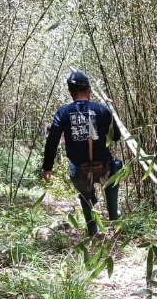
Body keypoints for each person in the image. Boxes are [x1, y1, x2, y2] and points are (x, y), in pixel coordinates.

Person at [42, 70, 123, 236]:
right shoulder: (102, 110)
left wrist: (47, 167)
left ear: (71, 93)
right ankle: (113, 213)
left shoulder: (62, 113)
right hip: (103, 167)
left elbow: (52, 141)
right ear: (89, 90)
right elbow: (116, 137)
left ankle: (92, 230)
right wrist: (109, 116)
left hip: (79, 169)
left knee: (86, 197)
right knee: (117, 165)